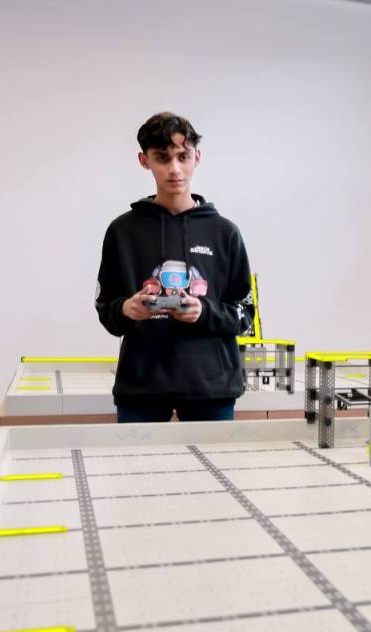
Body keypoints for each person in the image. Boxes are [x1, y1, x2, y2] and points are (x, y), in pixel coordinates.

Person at [94, 112, 254, 423]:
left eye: (183, 156)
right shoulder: (122, 231)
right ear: (144, 160)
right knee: (135, 459)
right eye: (162, 158)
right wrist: (127, 309)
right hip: (141, 388)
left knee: (214, 459)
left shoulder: (225, 233)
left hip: (212, 388)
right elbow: (105, 309)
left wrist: (203, 311)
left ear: (197, 157)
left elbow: (244, 313)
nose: (175, 169)